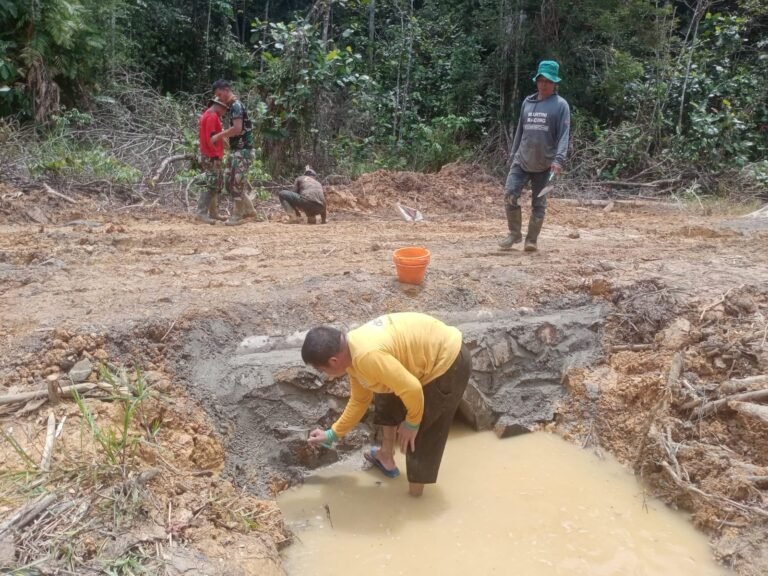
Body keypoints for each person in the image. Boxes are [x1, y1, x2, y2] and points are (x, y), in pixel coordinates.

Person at [301, 313, 471, 497]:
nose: (324, 374)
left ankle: (415, 500)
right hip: (423, 356)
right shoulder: (352, 355)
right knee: (383, 391)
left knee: (419, 434)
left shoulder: (367, 357)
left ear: (334, 361)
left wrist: (412, 422)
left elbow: (412, 389)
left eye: (321, 369)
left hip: (448, 360)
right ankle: (385, 455)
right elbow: (359, 400)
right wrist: (332, 434)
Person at [500, 60, 570, 252]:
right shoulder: (527, 103)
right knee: (510, 195)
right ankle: (514, 234)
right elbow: (520, 131)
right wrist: (513, 154)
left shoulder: (561, 105)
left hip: (546, 166)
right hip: (521, 161)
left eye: (548, 81)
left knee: (539, 203)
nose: (544, 84)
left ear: (555, 83)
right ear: (536, 81)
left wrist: (559, 160)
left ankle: (531, 240)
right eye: (541, 80)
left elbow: (564, 135)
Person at [211, 79, 258, 226]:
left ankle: (238, 215)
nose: (220, 98)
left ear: (226, 89)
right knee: (229, 182)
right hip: (237, 150)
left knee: (236, 183)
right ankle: (249, 210)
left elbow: (237, 129)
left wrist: (219, 136)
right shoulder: (232, 107)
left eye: (220, 94)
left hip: (243, 151)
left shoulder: (236, 106)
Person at [196, 96, 228, 224]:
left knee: (214, 184)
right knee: (210, 184)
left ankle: (213, 212)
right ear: (220, 106)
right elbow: (211, 138)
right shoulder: (212, 116)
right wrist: (215, 156)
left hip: (209, 154)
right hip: (210, 155)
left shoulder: (208, 114)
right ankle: (201, 213)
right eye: (225, 109)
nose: (225, 112)